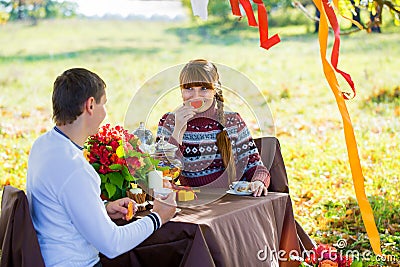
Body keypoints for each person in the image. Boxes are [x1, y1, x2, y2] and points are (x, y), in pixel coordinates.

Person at [26, 68, 176, 267]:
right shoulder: (74, 168)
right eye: (103, 103)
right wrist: (159, 217)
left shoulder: (43, 145)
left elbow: (59, 209)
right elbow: (112, 244)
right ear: (90, 105)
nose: (105, 112)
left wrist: (102, 209)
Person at [157, 59, 269, 196]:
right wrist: (177, 131)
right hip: (193, 200)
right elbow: (163, 175)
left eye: (204, 88)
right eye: (189, 88)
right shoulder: (169, 122)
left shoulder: (232, 121)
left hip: (232, 199)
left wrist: (259, 181)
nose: (195, 96)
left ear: (214, 90)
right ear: (181, 91)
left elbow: (255, 166)